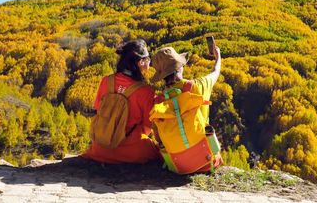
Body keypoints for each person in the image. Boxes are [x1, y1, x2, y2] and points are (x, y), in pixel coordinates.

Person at [82, 39, 160, 164]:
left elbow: (98, 111)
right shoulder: (146, 91)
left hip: (100, 149)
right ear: (140, 62)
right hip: (133, 151)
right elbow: (147, 128)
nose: (149, 63)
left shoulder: (106, 81)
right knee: (158, 153)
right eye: (148, 59)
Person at [150, 44, 222, 172]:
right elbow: (215, 72)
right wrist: (218, 57)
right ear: (180, 67)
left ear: (161, 76)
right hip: (207, 161)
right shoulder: (196, 86)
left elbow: (159, 139)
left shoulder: (158, 102)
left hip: (178, 166)